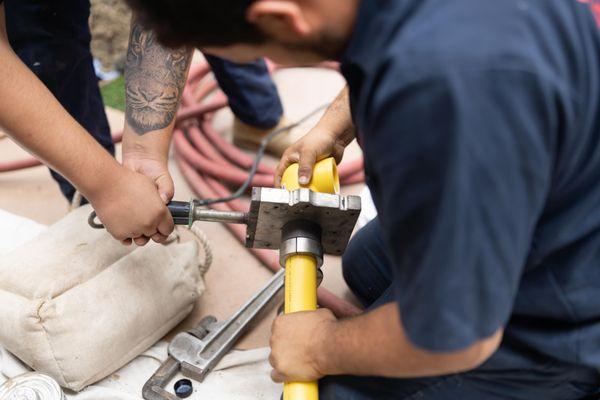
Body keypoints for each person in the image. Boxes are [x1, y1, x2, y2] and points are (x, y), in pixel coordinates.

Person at [124, 0, 600, 398]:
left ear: (284, 19)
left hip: (565, 310)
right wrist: (335, 125)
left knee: (334, 388)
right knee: (364, 268)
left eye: (256, 51)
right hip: (558, 182)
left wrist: (321, 346)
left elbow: (459, 334)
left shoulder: (443, 98)